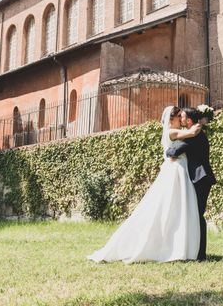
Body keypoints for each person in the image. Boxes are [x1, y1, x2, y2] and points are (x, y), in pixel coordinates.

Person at [87, 106, 202, 263]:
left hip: (178, 170)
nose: (181, 120)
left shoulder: (172, 132)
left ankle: (178, 245)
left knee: (177, 207)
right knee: (171, 206)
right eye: (179, 117)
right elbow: (192, 133)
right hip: (175, 172)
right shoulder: (171, 132)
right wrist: (201, 121)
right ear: (172, 119)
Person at [165, 107, 216, 261]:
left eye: (183, 117)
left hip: (200, 178)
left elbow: (173, 152)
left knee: (198, 215)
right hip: (200, 178)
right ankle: (197, 252)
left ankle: (200, 254)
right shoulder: (194, 133)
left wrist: (168, 152)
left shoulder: (193, 135)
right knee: (196, 215)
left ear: (188, 121)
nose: (180, 119)